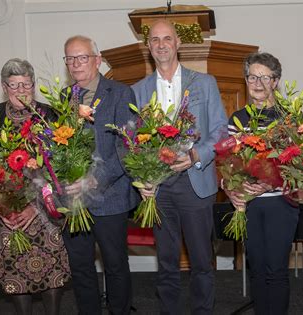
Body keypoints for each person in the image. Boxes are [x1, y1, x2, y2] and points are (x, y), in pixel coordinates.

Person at [132, 20, 228, 314]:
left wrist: (196, 155)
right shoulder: (137, 90)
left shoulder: (205, 83)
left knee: (201, 261)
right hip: (159, 188)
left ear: (178, 43)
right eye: (155, 40)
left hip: (194, 181)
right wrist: (143, 178)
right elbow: (133, 141)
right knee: (166, 262)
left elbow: (221, 130)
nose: (161, 44)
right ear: (148, 47)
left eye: (167, 39)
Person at [0, 58, 71, 315]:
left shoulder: (50, 114)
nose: (20, 91)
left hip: (44, 206)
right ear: (3, 86)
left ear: (33, 85)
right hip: (6, 206)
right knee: (15, 269)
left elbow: (59, 165)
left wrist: (34, 205)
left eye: (26, 84)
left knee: (50, 268)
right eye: (13, 85)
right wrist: (5, 205)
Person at [61, 35, 138, 315]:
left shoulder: (120, 93)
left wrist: (95, 179)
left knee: (115, 265)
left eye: (81, 57)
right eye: (70, 58)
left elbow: (127, 148)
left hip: (110, 196)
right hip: (74, 201)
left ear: (97, 59)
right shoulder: (64, 97)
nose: (75, 64)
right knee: (80, 266)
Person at [225, 52, 299, 315]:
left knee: (276, 270)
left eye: (264, 77)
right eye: (252, 76)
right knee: (255, 268)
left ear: (276, 81)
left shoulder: (288, 118)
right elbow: (227, 164)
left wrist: (270, 183)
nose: (257, 82)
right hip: (249, 206)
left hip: (281, 204)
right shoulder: (236, 119)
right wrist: (230, 189)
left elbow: (299, 166)